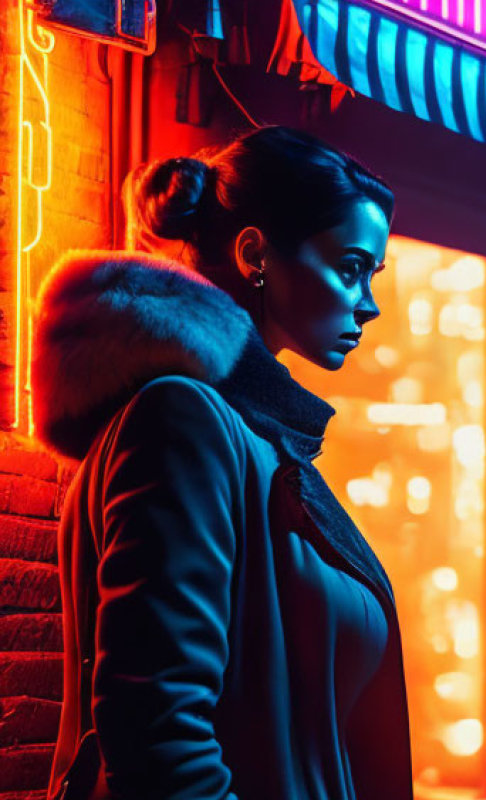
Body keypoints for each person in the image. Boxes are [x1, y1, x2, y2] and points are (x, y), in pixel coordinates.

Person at [33, 125, 413, 800]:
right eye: (351, 267)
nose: (369, 303)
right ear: (255, 254)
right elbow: (159, 738)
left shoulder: (248, 438)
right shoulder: (185, 422)